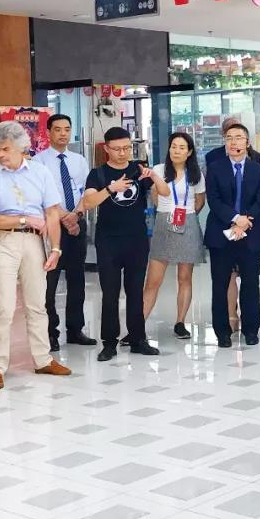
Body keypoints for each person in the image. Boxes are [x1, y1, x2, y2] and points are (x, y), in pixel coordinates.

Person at [0, 121, 71, 389]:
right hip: (2, 241)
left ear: (21, 147)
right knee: (3, 306)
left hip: (34, 241)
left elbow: (52, 212)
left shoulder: (40, 172)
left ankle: (43, 360)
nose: (0, 154)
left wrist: (55, 248)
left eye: (5, 149)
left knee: (37, 303)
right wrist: (23, 219)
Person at [81, 126, 170, 361]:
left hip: (136, 240)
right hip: (108, 241)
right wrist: (111, 188)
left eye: (127, 148)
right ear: (106, 149)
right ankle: (109, 343)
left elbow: (165, 192)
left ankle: (138, 339)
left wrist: (154, 176)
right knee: (110, 293)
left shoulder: (138, 170)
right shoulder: (98, 174)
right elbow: (88, 203)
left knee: (135, 291)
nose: (123, 153)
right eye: (117, 149)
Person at [203, 122, 260, 347]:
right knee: (220, 284)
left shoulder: (258, 170)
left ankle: (251, 329)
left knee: (250, 284)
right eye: (229, 138)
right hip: (221, 234)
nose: (233, 142)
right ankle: (222, 332)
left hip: (249, 234)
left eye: (238, 137)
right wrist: (234, 219)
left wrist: (244, 223)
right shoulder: (215, 168)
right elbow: (214, 200)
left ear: (247, 142)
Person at [33, 115, 96, 351]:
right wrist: (64, 218)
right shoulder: (38, 161)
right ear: (48, 132)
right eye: (58, 129)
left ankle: (75, 329)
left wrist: (76, 216)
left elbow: (87, 192)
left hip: (77, 223)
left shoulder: (79, 160)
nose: (63, 134)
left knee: (77, 279)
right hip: (51, 225)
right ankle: (50, 332)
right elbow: (41, 196)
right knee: (49, 282)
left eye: (67, 129)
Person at [143, 132, 205, 339]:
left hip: (188, 223)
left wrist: (186, 214)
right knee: (153, 280)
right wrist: (166, 211)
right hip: (164, 223)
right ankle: (138, 325)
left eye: (182, 147)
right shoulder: (159, 170)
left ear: (189, 152)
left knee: (184, 277)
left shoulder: (196, 174)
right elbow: (154, 195)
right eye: (173, 146)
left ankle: (180, 322)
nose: (176, 151)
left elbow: (200, 200)